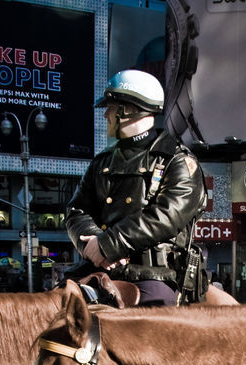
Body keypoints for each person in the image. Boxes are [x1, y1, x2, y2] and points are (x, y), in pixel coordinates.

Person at [65, 69, 207, 306]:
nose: (105, 115)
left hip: (155, 274)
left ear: (128, 109)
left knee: (152, 319)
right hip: (101, 266)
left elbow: (167, 216)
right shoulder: (102, 162)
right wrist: (94, 246)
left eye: (110, 107)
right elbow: (76, 211)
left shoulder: (177, 160)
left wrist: (108, 244)